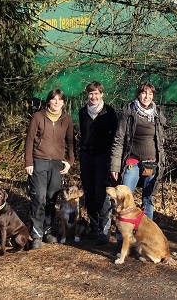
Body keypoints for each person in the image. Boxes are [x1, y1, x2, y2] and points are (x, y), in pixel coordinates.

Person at [24, 88, 75, 249]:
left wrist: (70, 161)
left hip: (57, 163)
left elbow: (71, 142)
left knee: (52, 198)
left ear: (63, 103)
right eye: (54, 99)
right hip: (39, 161)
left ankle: (47, 231)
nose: (57, 102)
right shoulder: (38, 116)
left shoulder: (67, 119)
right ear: (48, 101)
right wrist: (28, 162)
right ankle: (36, 234)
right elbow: (30, 140)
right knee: (39, 197)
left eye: (60, 100)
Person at [110, 81, 166, 222]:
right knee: (125, 199)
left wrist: (162, 162)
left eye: (150, 93)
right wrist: (115, 166)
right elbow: (118, 140)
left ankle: (146, 237)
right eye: (144, 93)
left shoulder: (158, 114)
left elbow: (160, 141)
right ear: (139, 94)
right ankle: (122, 236)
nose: (147, 96)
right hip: (132, 162)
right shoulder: (128, 113)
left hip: (151, 164)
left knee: (148, 200)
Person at [78, 81, 118, 245]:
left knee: (102, 193)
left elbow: (116, 136)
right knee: (89, 193)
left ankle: (104, 230)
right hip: (86, 157)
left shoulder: (109, 112)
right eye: (90, 93)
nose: (93, 96)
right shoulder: (82, 112)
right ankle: (94, 228)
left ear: (102, 94)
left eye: (96, 93)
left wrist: (113, 159)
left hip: (103, 157)